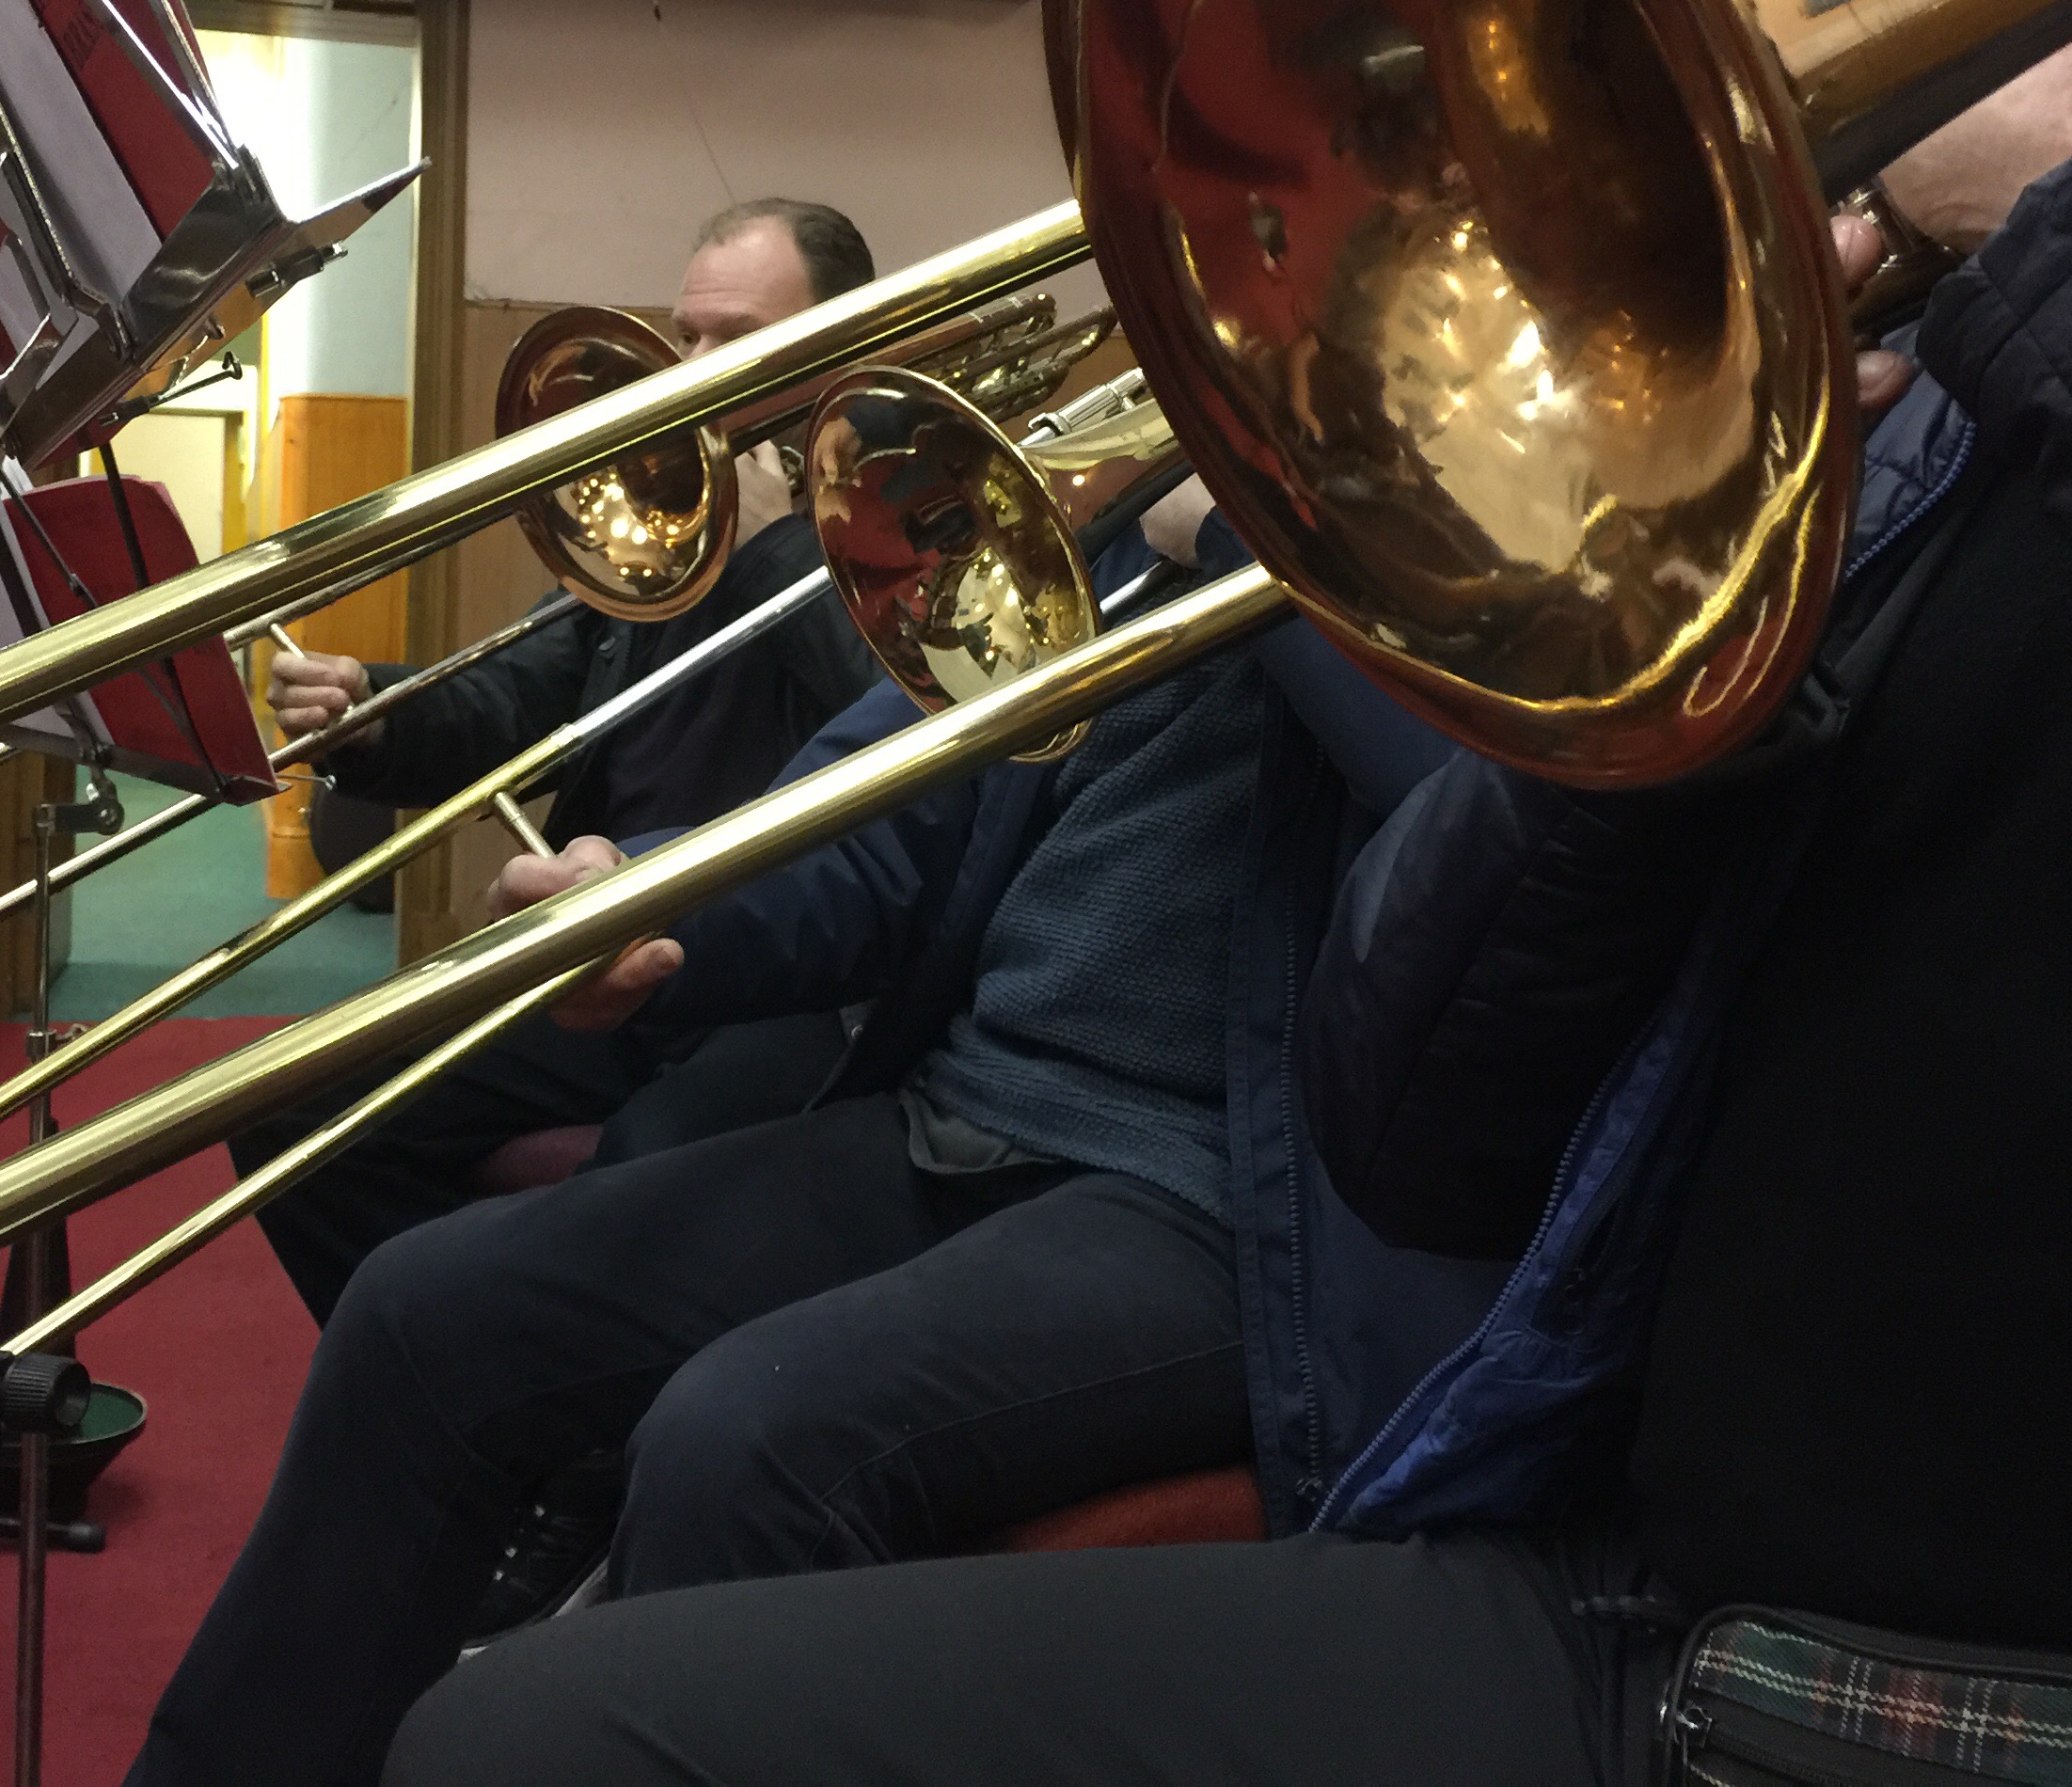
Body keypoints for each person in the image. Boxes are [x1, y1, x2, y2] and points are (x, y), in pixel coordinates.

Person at [382, 0, 2072, 1784]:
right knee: (545, 1730)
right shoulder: (2014, 345)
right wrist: (1688, 593)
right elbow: (1421, 1124)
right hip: (1654, 1593)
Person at [121, 480, 1477, 1787]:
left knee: (742, 1441)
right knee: (420, 1313)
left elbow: (1484, 822)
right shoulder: (1121, 535)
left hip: (1235, 1202)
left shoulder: (1469, 547)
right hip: (969, 1120)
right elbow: (880, 828)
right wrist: (654, 897)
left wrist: (1257, 547)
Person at [228, 198, 885, 1328]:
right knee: (293, 1110)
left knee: (628, 1196)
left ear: (842, 354)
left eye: (739, 340)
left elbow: (906, 718)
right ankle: (447, 1383)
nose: (692, 371)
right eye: (686, 336)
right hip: (607, 951)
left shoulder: (904, 519)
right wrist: (374, 713)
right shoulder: (660, 527)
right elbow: (515, 699)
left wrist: (784, 546)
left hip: (790, 983)